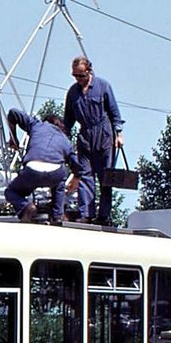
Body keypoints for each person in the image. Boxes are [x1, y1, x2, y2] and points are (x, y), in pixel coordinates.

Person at [64, 55, 124, 224]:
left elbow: (114, 113)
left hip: (104, 136)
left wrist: (118, 134)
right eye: (75, 76)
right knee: (84, 175)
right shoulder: (72, 93)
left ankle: (104, 215)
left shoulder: (103, 86)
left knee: (105, 177)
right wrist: (62, 140)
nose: (78, 79)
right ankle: (86, 214)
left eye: (81, 75)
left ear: (89, 71)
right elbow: (68, 120)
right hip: (85, 137)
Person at [5, 108, 81, 224]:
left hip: (32, 170)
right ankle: (57, 215)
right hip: (55, 173)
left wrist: (13, 138)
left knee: (11, 191)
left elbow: (13, 113)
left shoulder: (37, 125)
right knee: (60, 183)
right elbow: (76, 164)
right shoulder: (65, 139)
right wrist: (76, 177)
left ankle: (25, 207)